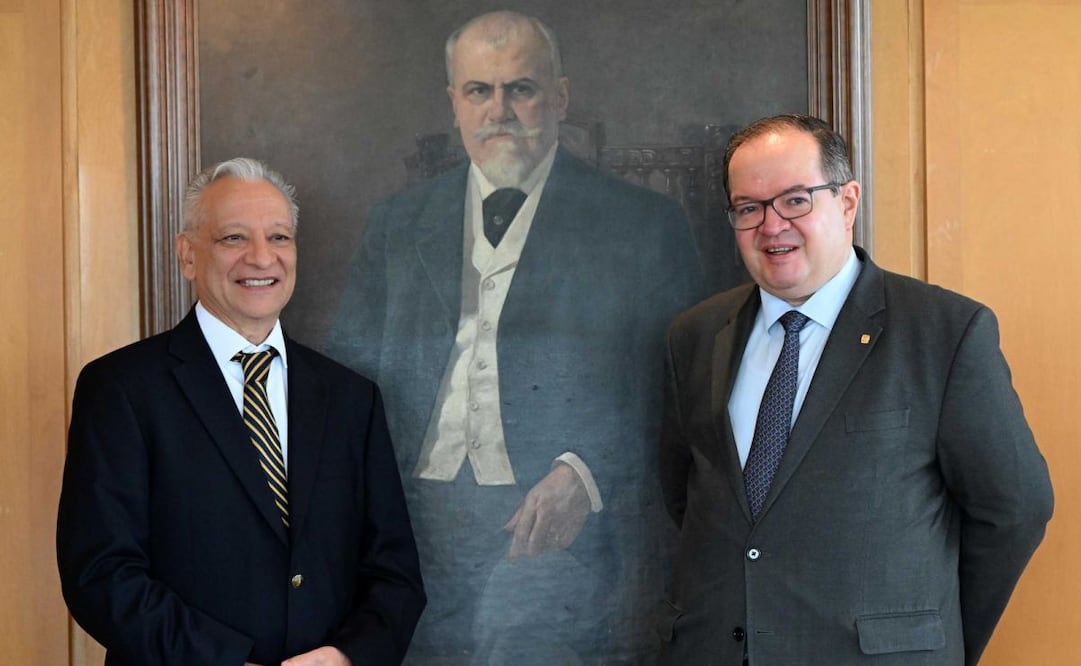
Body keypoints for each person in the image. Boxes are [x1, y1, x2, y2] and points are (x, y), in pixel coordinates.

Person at [324, 10, 705, 664]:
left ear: (559, 97)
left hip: (558, 529)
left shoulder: (642, 226)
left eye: (519, 89)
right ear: (453, 105)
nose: (497, 109)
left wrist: (583, 473)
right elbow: (345, 375)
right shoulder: (397, 223)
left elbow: (676, 390)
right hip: (411, 523)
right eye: (478, 91)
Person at [658, 113, 1053, 665]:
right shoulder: (695, 336)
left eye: (795, 200)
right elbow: (690, 497)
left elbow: (1015, 510)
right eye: (749, 208)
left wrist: (930, 634)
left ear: (846, 202)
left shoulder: (944, 331)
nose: (771, 226)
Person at [56, 158, 426, 666]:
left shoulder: (351, 398)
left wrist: (346, 657)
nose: (261, 258)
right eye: (234, 238)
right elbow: (101, 573)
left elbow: (395, 571)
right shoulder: (121, 388)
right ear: (188, 255)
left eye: (279, 238)